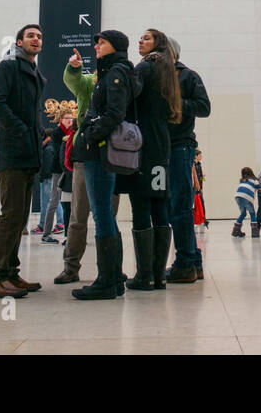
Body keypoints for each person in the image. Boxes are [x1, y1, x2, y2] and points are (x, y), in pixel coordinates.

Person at [71, 30, 135, 301]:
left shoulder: (116, 72)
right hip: (100, 151)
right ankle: (113, 278)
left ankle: (107, 281)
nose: (96, 46)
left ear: (116, 46)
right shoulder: (112, 71)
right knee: (103, 213)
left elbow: (115, 113)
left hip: (100, 153)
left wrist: (90, 135)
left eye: (102, 42)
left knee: (101, 213)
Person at [0, 23, 45, 299]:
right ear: (19, 42)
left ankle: (11, 273)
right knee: (10, 215)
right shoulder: (8, 67)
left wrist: (41, 133)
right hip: (12, 152)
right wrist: (19, 129)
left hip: (30, 152)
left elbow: (30, 114)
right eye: (30, 35)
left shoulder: (33, 72)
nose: (36, 39)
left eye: (39, 36)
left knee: (20, 217)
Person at [119, 28, 178, 290]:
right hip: (161, 147)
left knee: (141, 206)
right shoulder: (167, 70)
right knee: (159, 206)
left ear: (158, 44)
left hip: (142, 146)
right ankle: (158, 275)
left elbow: (130, 95)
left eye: (146, 38)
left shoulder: (144, 67)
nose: (140, 40)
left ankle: (144, 276)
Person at [163, 37, 211, 283]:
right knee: (174, 207)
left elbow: (204, 107)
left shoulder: (188, 76)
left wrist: (175, 103)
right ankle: (194, 263)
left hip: (180, 146)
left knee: (180, 207)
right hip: (160, 147)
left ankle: (186, 263)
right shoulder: (153, 77)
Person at [54, 52, 97, 285]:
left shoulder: (122, 78)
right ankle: (71, 267)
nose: (97, 47)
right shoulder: (90, 82)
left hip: (111, 155)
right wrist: (74, 67)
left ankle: (109, 268)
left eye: (102, 44)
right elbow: (74, 81)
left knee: (106, 216)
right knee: (78, 216)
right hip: (85, 153)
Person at [36, 127, 62, 244]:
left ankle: (50, 225)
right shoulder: (50, 148)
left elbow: (47, 164)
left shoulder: (48, 149)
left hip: (47, 178)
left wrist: (44, 176)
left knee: (49, 202)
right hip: (48, 177)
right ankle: (45, 225)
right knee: (51, 202)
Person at [232, 167, 260, 236]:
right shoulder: (254, 180)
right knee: (252, 213)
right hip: (247, 197)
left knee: (243, 213)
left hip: (238, 196)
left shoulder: (242, 180)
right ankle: (254, 232)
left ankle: (236, 231)